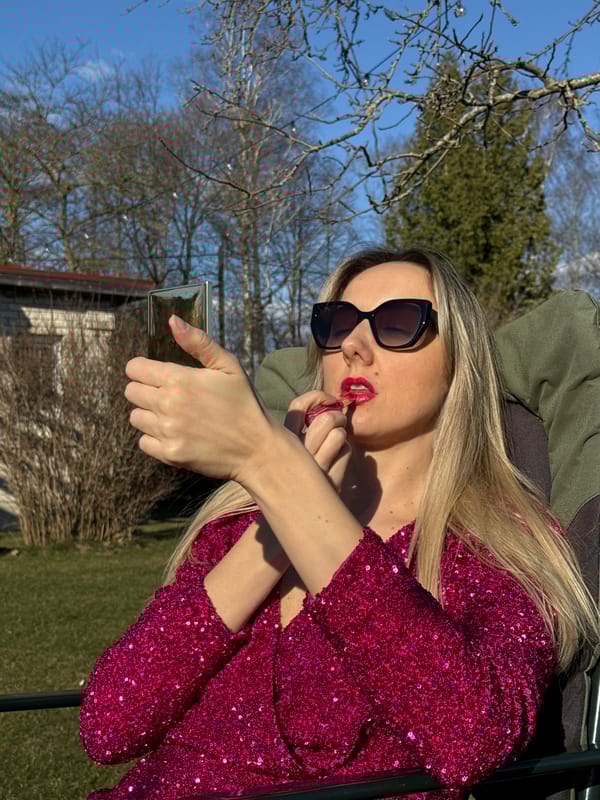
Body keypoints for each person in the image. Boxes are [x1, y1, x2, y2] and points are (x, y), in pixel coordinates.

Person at [80, 245, 598, 800]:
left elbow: (472, 735)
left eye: (399, 323)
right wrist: (282, 508)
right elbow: (109, 723)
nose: (353, 345)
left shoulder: (498, 545)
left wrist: (270, 464)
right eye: (338, 323)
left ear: (459, 365)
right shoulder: (243, 524)